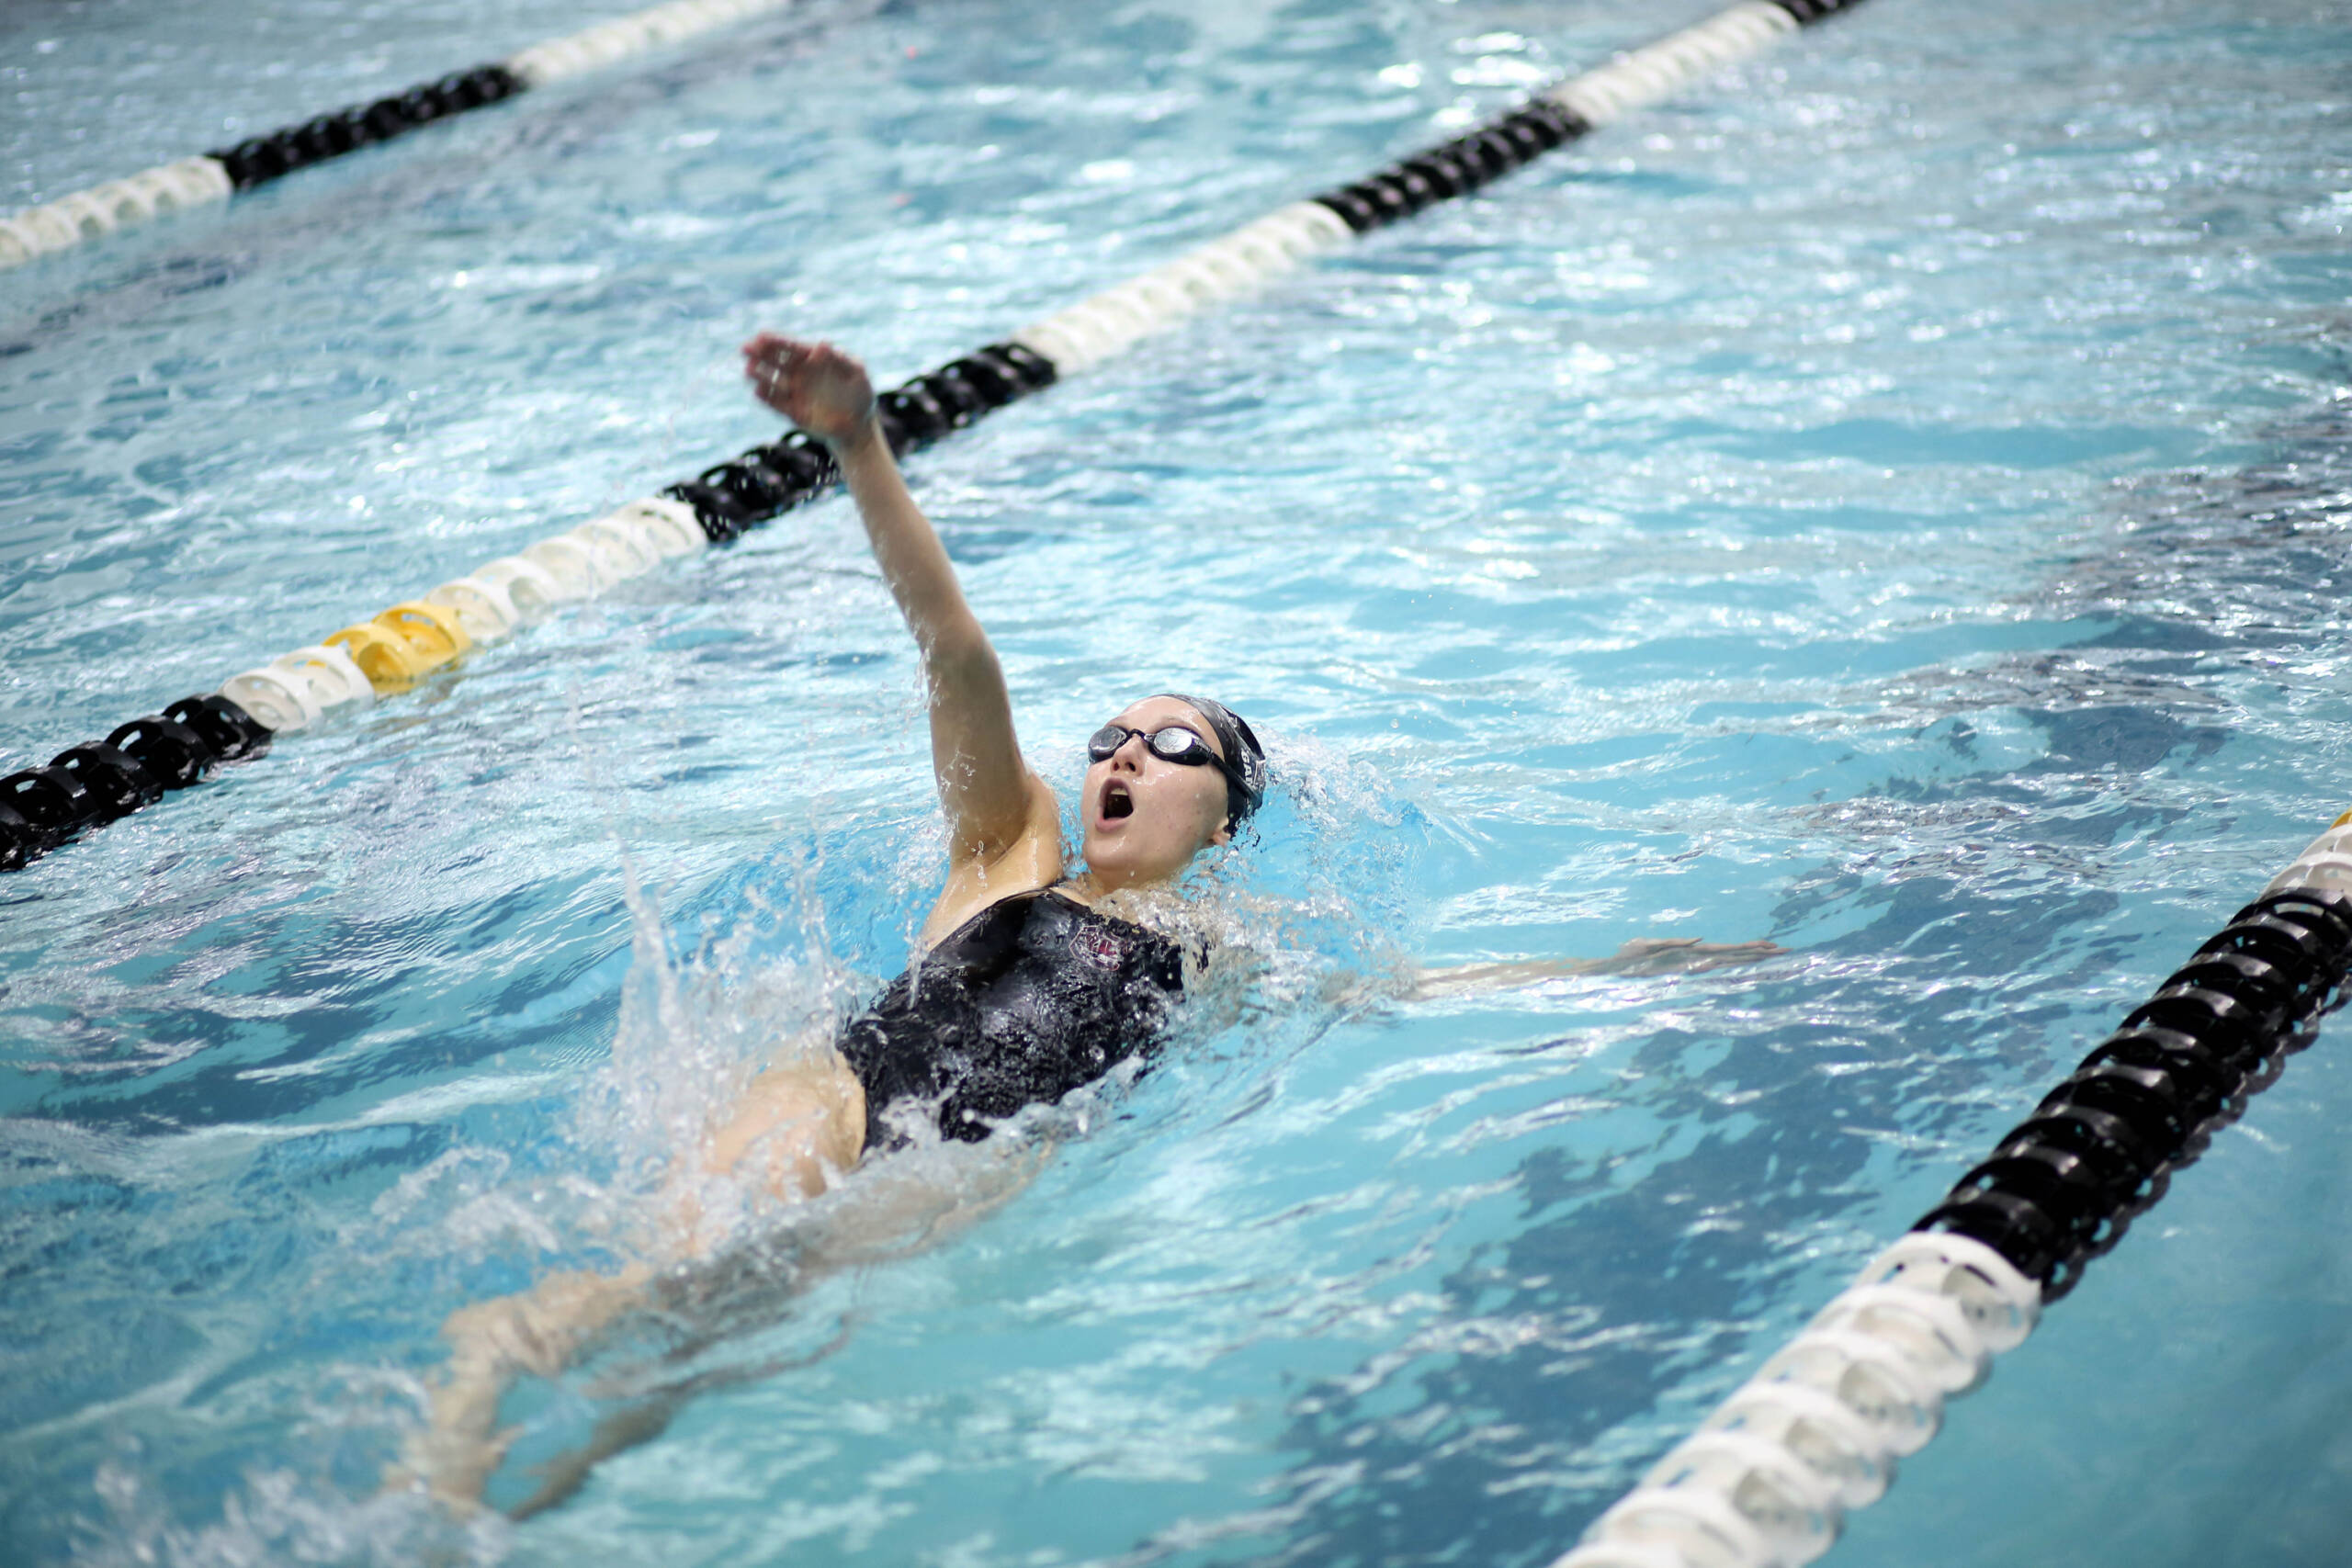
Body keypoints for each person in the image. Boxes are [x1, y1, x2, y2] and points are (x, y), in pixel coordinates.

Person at [397, 333, 1776, 1511]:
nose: (1121, 752)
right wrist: (862, 442)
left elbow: (1398, 998)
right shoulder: (1015, 848)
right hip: (841, 1091)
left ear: (1225, 812)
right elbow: (956, 650)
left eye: (1169, 743)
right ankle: (491, 1345)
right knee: (678, 1269)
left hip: (958, 1171)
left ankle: (515, 1500)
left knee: (731, 1338)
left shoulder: (1236, 949)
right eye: (1111, 732)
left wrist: (1622, 972)